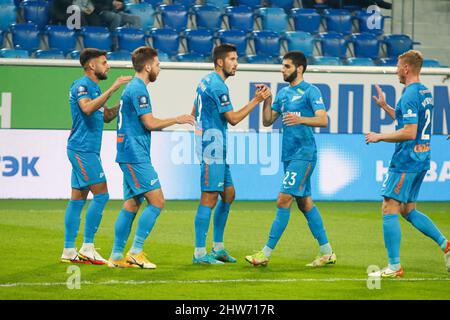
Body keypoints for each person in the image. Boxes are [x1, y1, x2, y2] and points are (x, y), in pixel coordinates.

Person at [245, 51, 336, 267]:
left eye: (286, 66)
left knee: (283, 199)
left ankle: (265, 253)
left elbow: (324, 120)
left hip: (304, 155)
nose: (282, 70)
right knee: (305, 204)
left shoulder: (311, 91)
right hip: (289, 155)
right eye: (283, 66)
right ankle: (327, 252)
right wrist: (266, 100)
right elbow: (268, 121)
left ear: (299, 68)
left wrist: (301, 119)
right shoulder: (283, 94)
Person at [108, 46, 195, 269]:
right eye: (157, 65)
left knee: (132, 203)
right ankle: (136, 252)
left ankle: (116, 256)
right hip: (135, 154)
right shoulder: (138, 89)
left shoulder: (134, 88)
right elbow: (150, 123)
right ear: (147, 67)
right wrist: (177, 118)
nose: (159, 68)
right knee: (157, 201)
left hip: (130, 152)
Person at [366, 50, 450, 278]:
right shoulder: (425, 92)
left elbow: (409, 131)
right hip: (422, 157)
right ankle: (446, 245)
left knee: (389, 207)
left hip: (407, 160)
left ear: (406, 68)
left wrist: (379, 136)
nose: (396, 70)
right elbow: (408, 121)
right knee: (407, 209)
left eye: (397, 66)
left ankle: (394, 267)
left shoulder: (410, 94)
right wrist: (385, 107)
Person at [191, 44, 271, 265]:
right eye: (232, 59)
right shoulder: (218, 86)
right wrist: (256, 100)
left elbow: (194, 110)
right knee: (209, 198)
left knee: (228, 194)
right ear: (220, 62)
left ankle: (218, 248)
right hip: (212, 146)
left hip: (212, 142)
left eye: (236, 59)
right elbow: (233, 119)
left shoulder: (205, 80)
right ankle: (199, 253)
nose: (236, 63)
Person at [61, 48, 131, 265]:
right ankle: (88, 247)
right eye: (104, 62)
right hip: (82, 149)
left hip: (87, 150)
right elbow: (88, 108)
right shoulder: (82, 86)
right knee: (101, 195)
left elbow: (106, 115)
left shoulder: (95, 88)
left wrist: (124, 102)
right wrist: (114, 88)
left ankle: (68, 250)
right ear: (91, 66)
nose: (108, 65)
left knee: (77, 199)